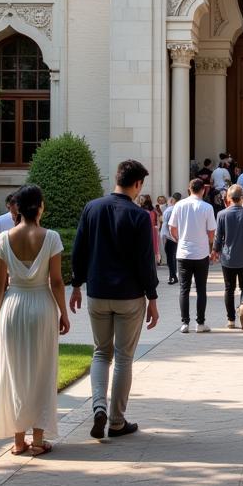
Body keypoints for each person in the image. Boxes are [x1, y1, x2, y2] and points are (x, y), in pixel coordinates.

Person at [70, 160, 159, 439]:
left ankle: (99, 406)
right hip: (129, 295)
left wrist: (76, 285)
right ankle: (117, 421)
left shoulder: (92, 207)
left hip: (97, 292)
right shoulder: (139, 216)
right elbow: (146, 262)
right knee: (123, 358)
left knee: (100, 352)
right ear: (137, 184)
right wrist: (153, 297)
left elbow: (79, 249)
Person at [0, 184, 69, 455]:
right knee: (42, 370)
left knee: (14, 371)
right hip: (42, 305)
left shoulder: (3, 238)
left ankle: (17, 440)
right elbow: (56, 281)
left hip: (13, 306)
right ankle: (37, 440)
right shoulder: (51, 237)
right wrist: (64, 312)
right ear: (40, 207)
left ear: (17, 208)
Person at [168, 179, 217, 333]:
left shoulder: (179, 205)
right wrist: (208, 242)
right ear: (203, 190)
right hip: (201, 253)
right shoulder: (207, 207)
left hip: (183, 252)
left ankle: (185, 323)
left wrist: (178, 239)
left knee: (184, 289)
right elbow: (211, 232)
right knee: (201, 289)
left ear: (189, 189)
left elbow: (172, 227)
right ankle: (200, 323)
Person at [214, 185, 243, 330]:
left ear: (229, 198)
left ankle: (230, 320)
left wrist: (215, 250)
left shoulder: (222, 214)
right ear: (242, 198)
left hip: (228, 257)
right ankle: (242, 305)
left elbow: (218, 237)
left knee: (229, 288)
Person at [160, 192, 181, 284]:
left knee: (170, 257)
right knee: (174, 256)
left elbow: (168, 225)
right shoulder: (179, 209)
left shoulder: (169, 210)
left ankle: (172, 275)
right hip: (176, 236)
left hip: (169, 236)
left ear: (172, 200)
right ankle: (174, 275)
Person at [138, 195, 160, 266]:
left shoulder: (146, 210)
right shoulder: (152, 210)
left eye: (142, 199)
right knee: (152, 246)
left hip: (149, 229)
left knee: (150, 246)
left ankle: (151, 261)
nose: (140, 201)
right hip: (153, 229)